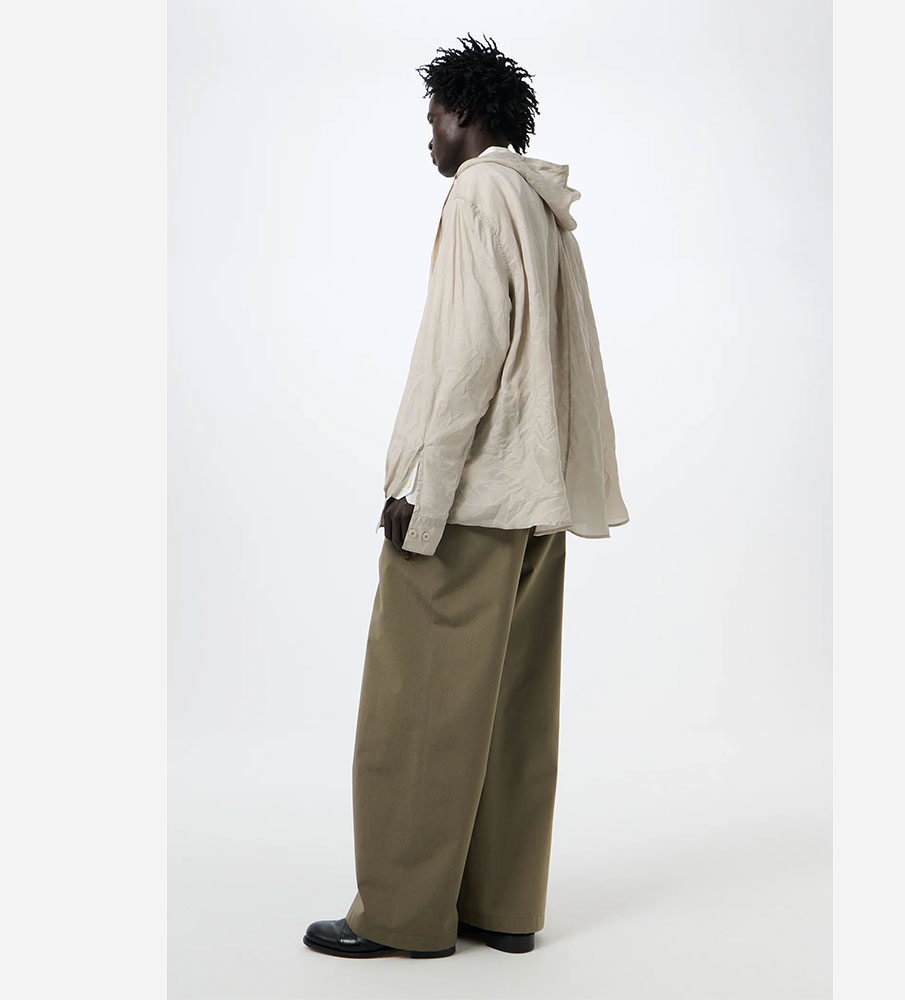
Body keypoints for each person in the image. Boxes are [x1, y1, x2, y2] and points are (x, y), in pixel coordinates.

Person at [303, 32, 629, 960]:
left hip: (474, 499)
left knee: (417, 707)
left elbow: (469, 352)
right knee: (514, 708)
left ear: (467, 115)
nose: (430, 138)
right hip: (537, 498)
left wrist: (427, 488)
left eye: (435, 118)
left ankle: (403, 917)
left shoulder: (480, 192)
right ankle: (501, 905)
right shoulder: (541, 206)